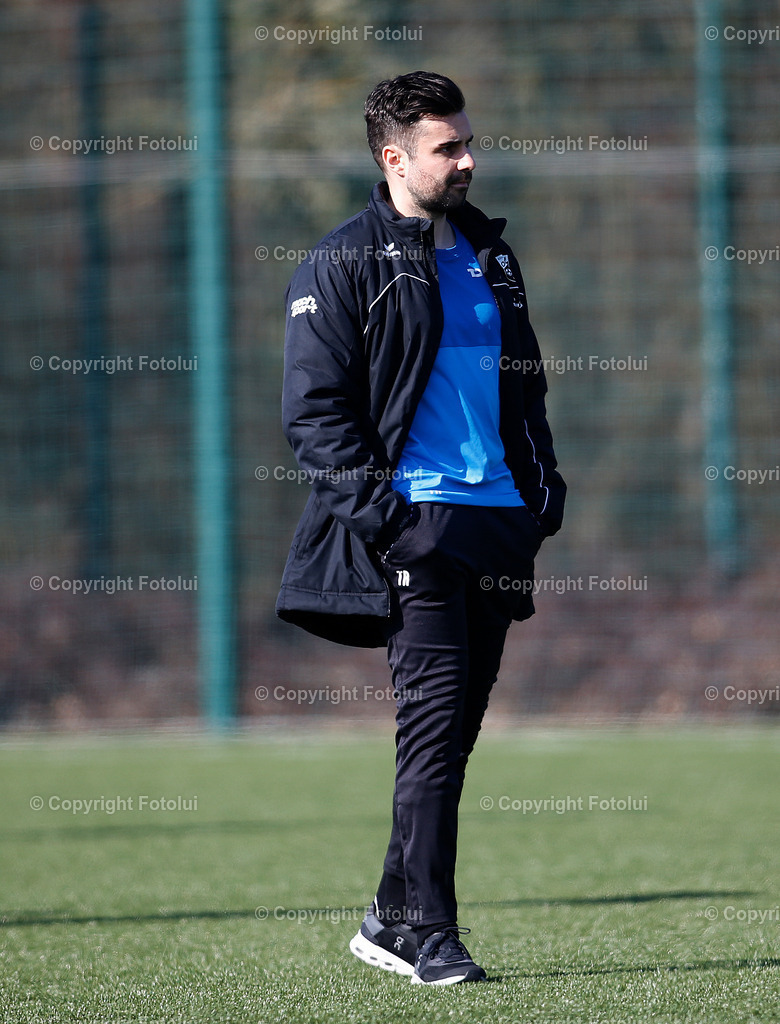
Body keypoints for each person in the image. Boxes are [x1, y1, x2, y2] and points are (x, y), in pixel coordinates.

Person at [276, 71, 565, 985]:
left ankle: (390, 918)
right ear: (395, 159)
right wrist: (394, 522)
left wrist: (542, 492)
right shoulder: (341, 261)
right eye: (450, 148)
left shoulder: (493, 255)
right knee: (432, 738)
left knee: (457, 742)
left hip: (499, 528)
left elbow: (525, 388)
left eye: (469, 142)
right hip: (420, 529)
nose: (469, 159)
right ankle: (431, 935)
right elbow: (316, 416)